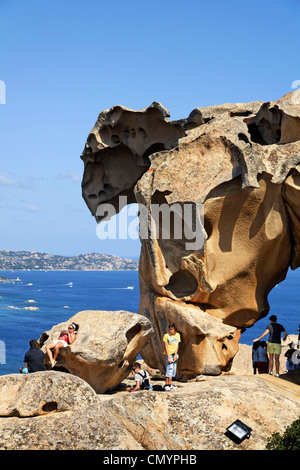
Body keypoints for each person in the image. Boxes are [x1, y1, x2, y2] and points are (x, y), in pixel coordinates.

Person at [163, 323, 181, 391]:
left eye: (171, 329)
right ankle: (167, 385)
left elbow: (177, 345)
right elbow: (166, 347)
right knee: (169, 369)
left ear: (175, 330)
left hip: (174, 354)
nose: (170, 330)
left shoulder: (177, 335)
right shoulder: (166, 335)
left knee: (173, 369)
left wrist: (175, 355)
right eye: (170, 329)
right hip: (168, 354)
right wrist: (168, 357)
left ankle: (170, 384)